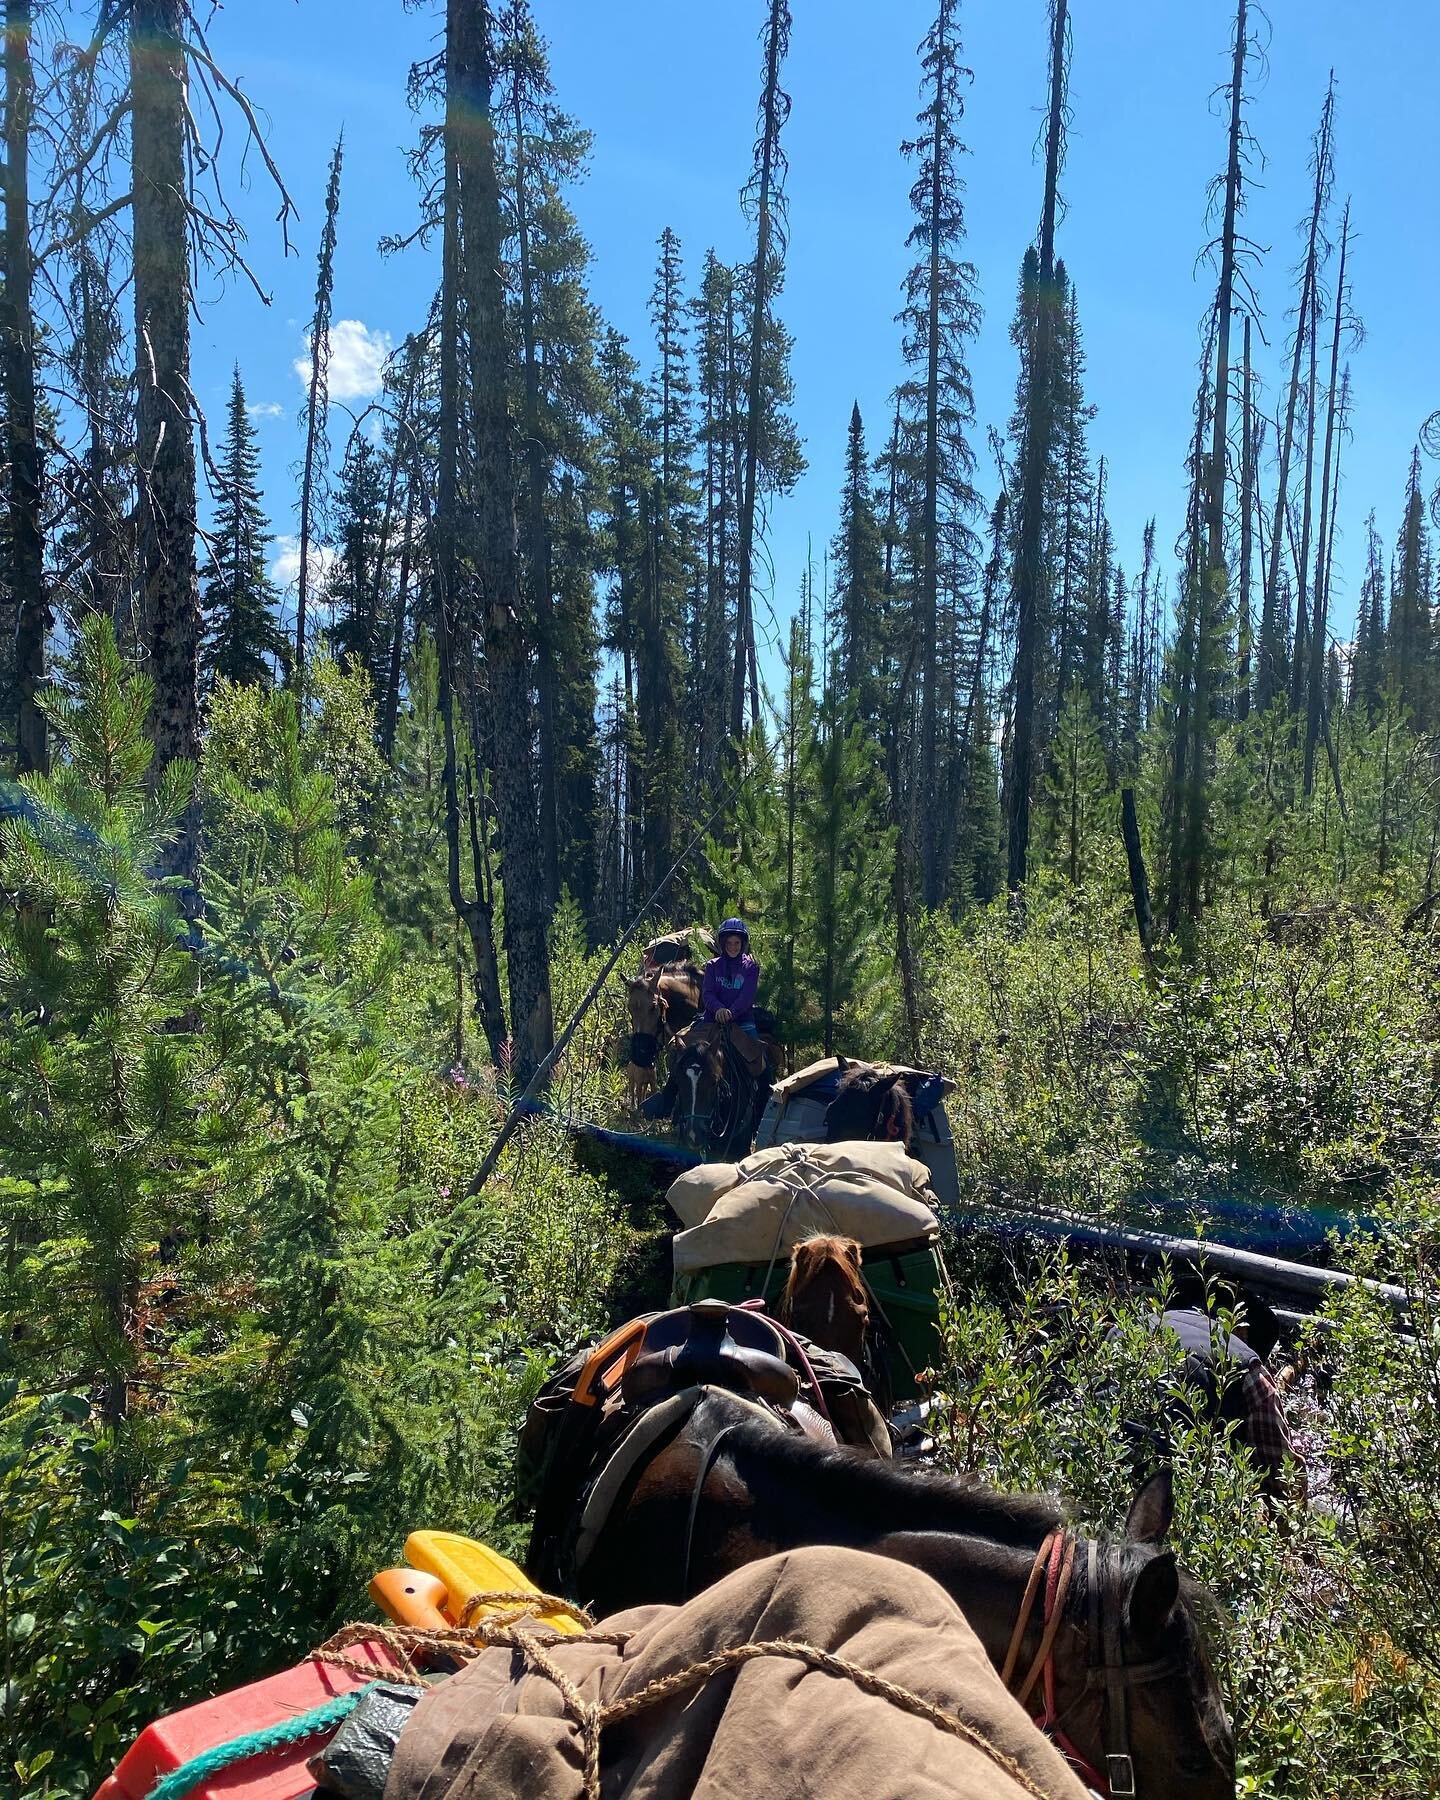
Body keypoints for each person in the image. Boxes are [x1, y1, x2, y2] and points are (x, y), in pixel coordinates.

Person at [1138, 1278, 1305, 1505]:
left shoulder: (1132, 1327)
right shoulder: (1248, 1368)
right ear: (1242, 1331)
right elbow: (1283, 1477)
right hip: (1162, 1497)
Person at [702, 918, 760, 1034]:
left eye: (736, 943)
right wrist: (718, 1009)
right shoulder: (712, 966)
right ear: (723, 944)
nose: (733, 947)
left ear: (742, 944)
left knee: (754, 1050)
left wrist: (730, 1012)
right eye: (729, 943)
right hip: (713, 1019)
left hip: (742, 1021)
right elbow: (707, 993)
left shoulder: (751, 967)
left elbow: (746, 997)